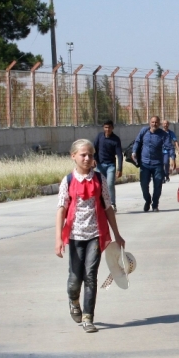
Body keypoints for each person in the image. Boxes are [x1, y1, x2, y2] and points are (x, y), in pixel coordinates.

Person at [55, 139, 125, 333]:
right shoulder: (67, 180)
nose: (87, 158)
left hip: (96, 234)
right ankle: (73, 300)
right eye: (83, 155)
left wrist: (117, 235)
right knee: (75, 279)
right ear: (73, 156)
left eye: (91, 155)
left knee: (90, 275)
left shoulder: (99, 179)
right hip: (75, 236)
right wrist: (58, 239)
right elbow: (61, 210)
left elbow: (108, 208)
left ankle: (88, 317)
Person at [132, 116, 174, 212]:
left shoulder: (163, 135)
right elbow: (137, 141)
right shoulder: (144, 131)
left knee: (158, 185)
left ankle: (155, 204)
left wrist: (172, 158)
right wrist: (134, 151)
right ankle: (147, 200)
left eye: (156, 122)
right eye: (152, 122)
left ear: (159, 124)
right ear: (149, 123)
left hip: (158, 164)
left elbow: (169, 146)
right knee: (143, 184)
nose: (154, 124)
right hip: (145, 163)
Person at [94, 120, 123, 213]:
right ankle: (99, 204)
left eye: (109, 127)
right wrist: (93, 159)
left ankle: (112, 204)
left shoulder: (116, 139)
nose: (107, 129)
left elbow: (119, 154)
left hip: (110, 165)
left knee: (110, 184)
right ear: (103, 127)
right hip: (100, 165)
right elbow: (94, 148)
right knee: (99, 185)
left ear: (112, 128)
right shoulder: (99, 137)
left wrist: (120, 168)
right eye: (106, 127)